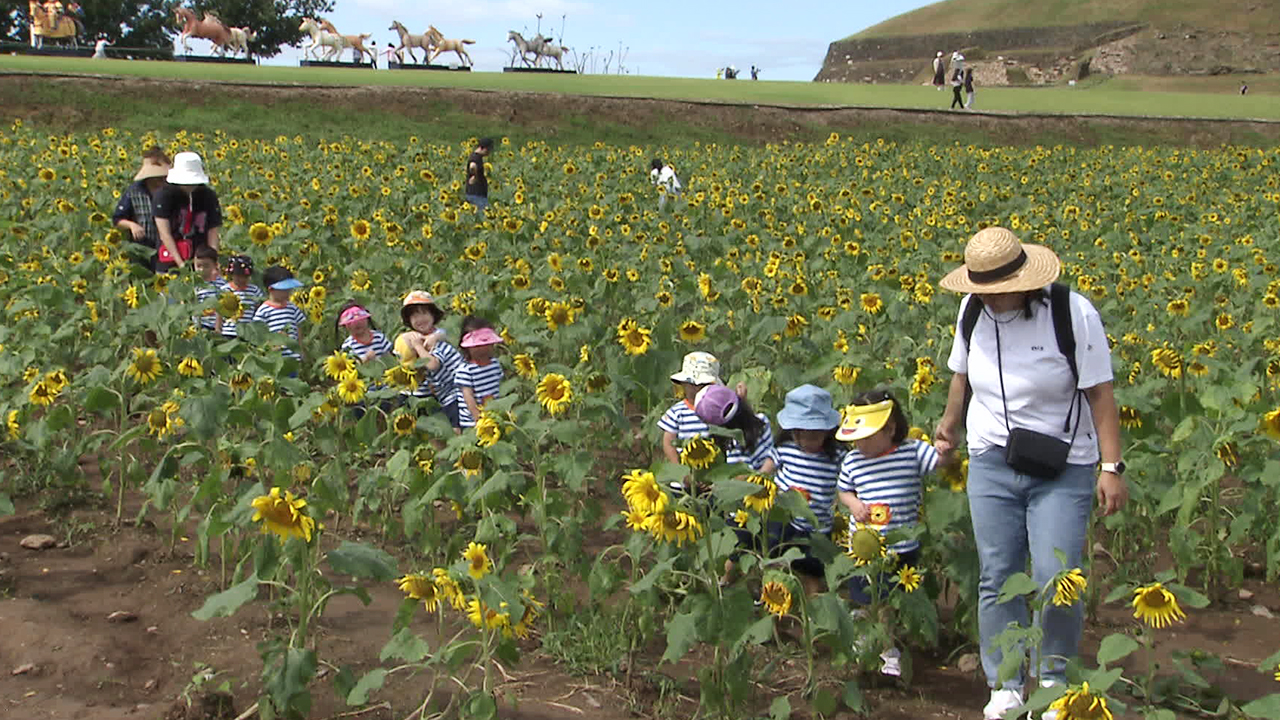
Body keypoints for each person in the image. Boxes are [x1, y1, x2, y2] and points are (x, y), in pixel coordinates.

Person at [932, 227, 1127, 720]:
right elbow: (961, 374)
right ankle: (1004, 683)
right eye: (983, 290)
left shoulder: (1071, 313)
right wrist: (949, 426)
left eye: (999, 290)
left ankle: (1054, 678)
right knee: (997, 574)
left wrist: (1111, 467)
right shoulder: (972, 310)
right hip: (993, 459)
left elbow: (1100, 393)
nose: (991, 299)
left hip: (1064, 464)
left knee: (1055, 575)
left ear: (1024, 280)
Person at [837, 389, 942, 677]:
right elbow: (844, 490)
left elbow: (939, 462)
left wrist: (947, 448)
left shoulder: (911, 451)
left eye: (867, 437)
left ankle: (888, 649)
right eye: (856, 438)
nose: (860, 443)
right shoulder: (853, 461)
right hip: (864, 547)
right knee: (864, 595)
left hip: (903, 542)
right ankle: (869, 643)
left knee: (892, 601)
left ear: (891, 429)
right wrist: (853, 503)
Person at [768, 384, 844, 593]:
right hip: (784, 520)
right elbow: (765, 470)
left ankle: (812, 613)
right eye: (799, 435)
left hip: (817, 526)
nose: (805, 442)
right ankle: (780, 604)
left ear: (828, 432)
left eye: (813, 436)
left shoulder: (836, 455)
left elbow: (851, 477)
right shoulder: (785, 449)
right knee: (778, 565)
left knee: (813, 573)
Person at [395, 290, 461, 427]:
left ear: (433, 315)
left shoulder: (436, 338)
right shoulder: (410, 336)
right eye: (414, 315)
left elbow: (432, 364)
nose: (420, 319)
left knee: (445, 426)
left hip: (447, 392)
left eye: (424, 313)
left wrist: (419, 346)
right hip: (415, 390)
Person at [154, 152, 221, 272]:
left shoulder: (208, 195)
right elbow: (164, 234)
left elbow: (213, 230)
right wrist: (180, 264)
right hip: (170, 257)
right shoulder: (163, 196)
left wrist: (213, 259)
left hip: (200, 256)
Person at [657, 351, 721, 471]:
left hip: (711, 474)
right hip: (682, 477)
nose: (697, 388)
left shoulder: (717, 412)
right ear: (684, 384)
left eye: (703, 385)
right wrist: (680, 471)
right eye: (692, 384)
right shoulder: (677, 412)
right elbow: (668, 443)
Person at [112, 147, 171, 273]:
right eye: (158, 178)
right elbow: (117, 219)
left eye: (163, 177)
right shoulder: (134, 191)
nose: (161, 181)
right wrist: (132, 225)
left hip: (167, 245)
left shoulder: (171, 190)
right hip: (142, 246)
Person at [454, 323, 504, 429]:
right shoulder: (465, 370)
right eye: (477, 346)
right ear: (467, 348)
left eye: (487, 345)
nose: (483, 349)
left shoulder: (495, 364)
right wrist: (478, 418)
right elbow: (468, 397)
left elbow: (500, 387)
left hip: (494, 414)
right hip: (472, 422)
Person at [252, 267, 307, 363]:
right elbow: (258, 334)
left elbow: (298, 328)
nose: (288, 293)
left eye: (289, 289)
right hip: (274, 359)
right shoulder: (264, 310)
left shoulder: (292, 308)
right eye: (284, 290)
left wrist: (301, 349)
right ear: (271, 289)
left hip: (293, 357)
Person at [218, 254, 263, 340]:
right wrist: (218, 328)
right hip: (229, 331)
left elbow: (258, 310)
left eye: (244, 277)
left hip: (248, 332)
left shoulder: (254, 290)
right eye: (238, 276)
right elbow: (219, 312)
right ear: (232, 275)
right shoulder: (225, 289)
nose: (241, 279)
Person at [191, 245, 226, 333]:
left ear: (215, 265)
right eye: (198, 266)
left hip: (218, 325)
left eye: (206, 266)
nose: (201, 269)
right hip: (199, 325)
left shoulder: (222, 284)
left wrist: (218, 328)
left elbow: (222, 306)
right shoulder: (193, 284)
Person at [464, 137, 494, 211]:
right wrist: (475, 176)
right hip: (477, 195)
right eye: (488, 150)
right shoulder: (475, 157)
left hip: (475, 194)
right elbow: (472, 166)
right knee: (481, 216)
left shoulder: (477, 157)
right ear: (483, 148)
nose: (489, 152)